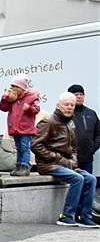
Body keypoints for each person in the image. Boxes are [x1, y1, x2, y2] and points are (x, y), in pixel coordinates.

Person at [33, 93, 98, 228]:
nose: (69, 107)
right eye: (66, 104)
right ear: (58, 106)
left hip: (66, 165)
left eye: (72, 105)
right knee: (78, 178)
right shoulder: (48, 122)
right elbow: (35, 145)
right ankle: (66, 216)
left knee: (91, 179)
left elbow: (73, 148)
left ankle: (84, 217)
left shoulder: (70, 124)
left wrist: (73, 161)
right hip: (48, 165)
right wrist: (59, 158)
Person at [0, 75, 40, 177]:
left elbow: (36, 109)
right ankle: (18, 166)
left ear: (22, 88)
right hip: (15, 128)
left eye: (15, 86)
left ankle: (25, 166)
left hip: (25, 129)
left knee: (24, 147)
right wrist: (4, 98)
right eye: (11, 86)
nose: (12, 88)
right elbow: (3, 108)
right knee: (18, 148)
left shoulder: (31, 98)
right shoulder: (12, 98)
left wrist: (29, 108)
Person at [68, 84, 99, 175]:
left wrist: (93, 147)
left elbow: (98, 133)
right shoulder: (65, 113)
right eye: (76, 94)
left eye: (81, 94)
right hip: (70, 158)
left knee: (88, 182)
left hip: (87, 158)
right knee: (74, 184)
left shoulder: (91, 113)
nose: (79, 96)